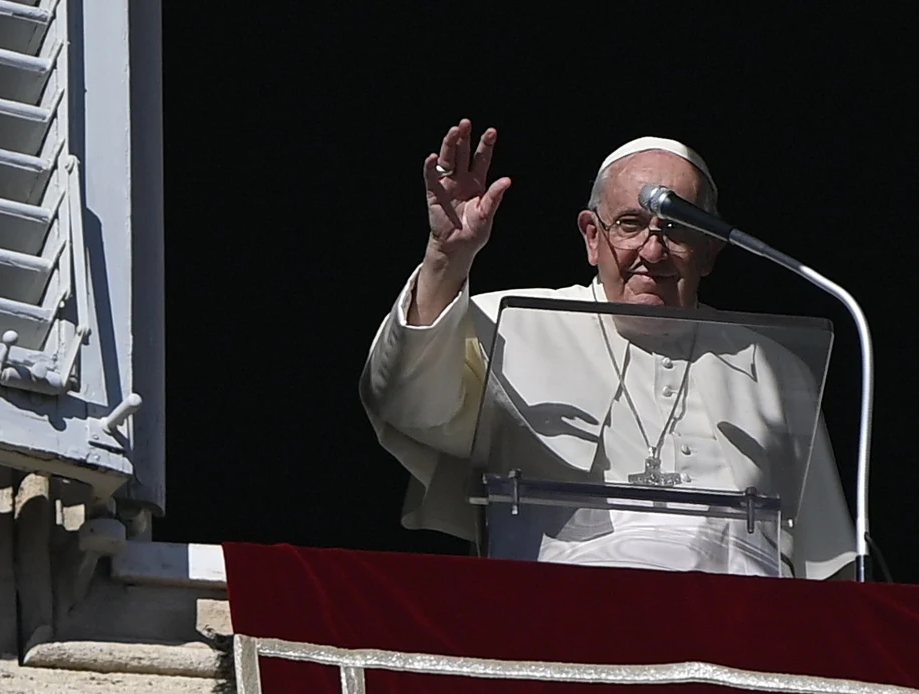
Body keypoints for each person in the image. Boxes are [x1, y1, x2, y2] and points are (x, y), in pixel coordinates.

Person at [360, 119, 855, 579]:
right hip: (560, 618)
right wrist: (447, 259)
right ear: (592, 237)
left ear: (710, 251)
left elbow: (826, 565)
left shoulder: (774, 366)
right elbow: (405, 402)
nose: (653, 251)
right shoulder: (509, 325)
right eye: (631, 224)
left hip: (740, 632)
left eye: (676, 227)